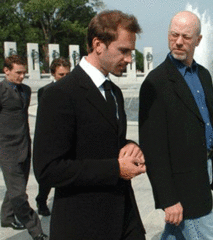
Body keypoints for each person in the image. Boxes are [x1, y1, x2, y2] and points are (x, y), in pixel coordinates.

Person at [33, 10, 146, 240]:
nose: (128, 59)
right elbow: (47, 170)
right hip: (84, 225)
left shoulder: (114, 92)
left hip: (124, 219)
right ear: (98, 44)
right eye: (123, 50)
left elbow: (100, 139)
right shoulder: (60, 95)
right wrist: (116, 169)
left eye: (131, 52)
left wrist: (129, 145)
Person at [139, 11, 213, 239]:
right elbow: (153, 148)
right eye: (174, 35)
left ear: (199, 40)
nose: (178, 42)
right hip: (181, 178)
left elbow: (212, 123)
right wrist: (168, 199)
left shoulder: (204, 75)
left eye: (186, 37)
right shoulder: (156, 82)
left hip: (206, 166)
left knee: (176, 232)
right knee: (206, 232)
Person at [0, 55, 48, 240]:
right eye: (18, 72)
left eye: (24, 73)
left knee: (17, 187)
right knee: (19, 195)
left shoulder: (26, 91)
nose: (22, 76)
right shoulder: (1, 91)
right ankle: (36, 232)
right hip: (6, 149)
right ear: (6, 71)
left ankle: (6, 217)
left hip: (25, 146)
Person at [35, 57, 71, 216]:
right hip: (52, 138)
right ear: (53, 74)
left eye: (67, 74)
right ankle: (42, 200)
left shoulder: (74, 89)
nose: (65, 78)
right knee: (48, 174)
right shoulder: (45, 91)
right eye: (61, 75)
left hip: (69, 137)